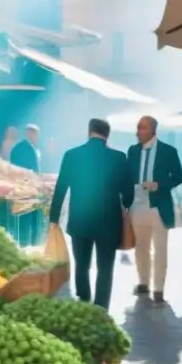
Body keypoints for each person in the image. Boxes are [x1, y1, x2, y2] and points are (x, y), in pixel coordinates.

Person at [50, 118, 133, 311]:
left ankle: (84, 300)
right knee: (105, 268)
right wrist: (125, 206)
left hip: (80, 220)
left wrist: (54, 218)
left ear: (89, 132)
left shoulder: (72, 155)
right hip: (109, 223)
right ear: (107, 135)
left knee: (82, 264)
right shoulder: (119, 158)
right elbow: (128, 193)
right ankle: (101, 308)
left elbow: (61, 188)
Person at [126, 116, 182, 304]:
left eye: (142, 128)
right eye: (137, 127)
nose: (138, 131)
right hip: (137, 205)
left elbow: (179, 177)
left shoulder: (168, 151)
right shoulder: (132, 151)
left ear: (152, 130)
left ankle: (159, 288)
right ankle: (143, 282)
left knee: (160, 249)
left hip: (158, 206)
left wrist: (159, 185)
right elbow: (127, 176)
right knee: (140, 248)